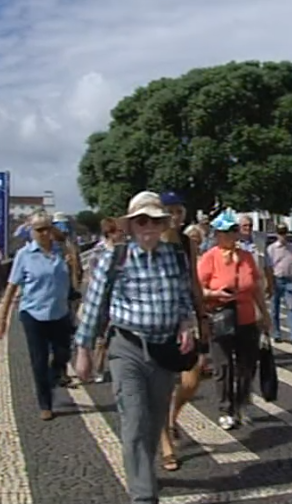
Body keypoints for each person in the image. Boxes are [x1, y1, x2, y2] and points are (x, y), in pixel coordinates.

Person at [74, 191, 196, 504]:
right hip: (127, 347)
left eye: (154, 220)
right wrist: (84, 350)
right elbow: (94, 303)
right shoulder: (115, 257)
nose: (148, 227)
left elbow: (183, 296)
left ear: (162, 223)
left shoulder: (174, 254)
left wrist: (186, 324)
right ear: (130, 225)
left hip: (164, 350)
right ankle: (143, 495)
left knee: (155, 421)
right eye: (141, 220)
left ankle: (142, 471)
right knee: (135, 420)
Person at [0, 213, 73, 421]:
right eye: (39, 230)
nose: (45, 233)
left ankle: (53, 376)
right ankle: (45, 403)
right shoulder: (24, 255)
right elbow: (12, 286)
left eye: (47, 228)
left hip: (60, 312)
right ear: (31, 232)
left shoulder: (61, 251)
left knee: (64, 353)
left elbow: (74, 276)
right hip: (33, 314)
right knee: (39, 360)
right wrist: (1, 316)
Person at [198, 210, 271, 430]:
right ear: (217, 235)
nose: (230, 236)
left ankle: (242, 404)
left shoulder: (246, 256)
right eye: (225, 232)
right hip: (220, 315)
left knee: (247, 365)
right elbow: (198, 289)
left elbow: (256, 287)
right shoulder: (210, 257)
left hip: (246, 318)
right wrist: (214, 293)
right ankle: (225, 408)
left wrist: (265, 315)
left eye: (233, 231)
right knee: (223, 366)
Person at [158, 191, 210, 472]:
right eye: (170, 211)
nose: (175, 217)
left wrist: (202, 316)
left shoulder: (187, 243)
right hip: (159, 320)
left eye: (179, 210)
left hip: (186, 318)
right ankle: (166, 445)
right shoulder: (152, 242)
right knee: (164, 383)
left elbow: (194, 281)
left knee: (191, 381)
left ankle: (171, 416)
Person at [88, 217, 124, 383]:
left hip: (121, 298)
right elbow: (94, 275)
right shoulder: (99, 250)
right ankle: (98, 367)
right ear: (109, 233)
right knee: (101, 336)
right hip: (103, 298)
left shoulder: (125, 250)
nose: (122, 235)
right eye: (118, 231)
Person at [266, 223, 292, 345]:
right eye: (280, 232)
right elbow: (268, 267)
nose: (283, 235)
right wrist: (269, 283)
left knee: (291, 307)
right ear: (277, 234)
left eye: (284, 232)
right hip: (276, 279)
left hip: (289, 279)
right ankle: (276, 334)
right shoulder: (271, 249)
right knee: (275, 309)